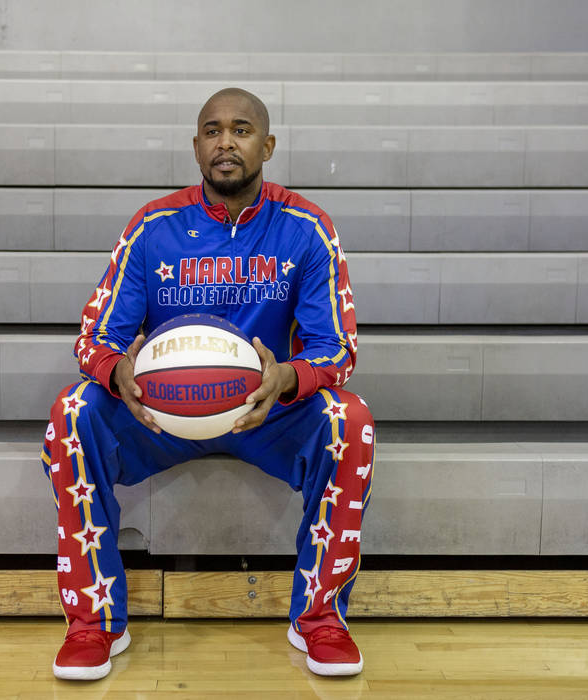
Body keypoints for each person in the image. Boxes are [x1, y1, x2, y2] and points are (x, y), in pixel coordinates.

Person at [41, 87, 375, 681]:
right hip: (164, 416)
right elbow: (93, 338)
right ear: (196, 147)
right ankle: (94, 621)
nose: (226, 141)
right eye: (213, 130)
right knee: (72, 411)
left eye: (242, 130)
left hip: (264, 412)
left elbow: (339, 349)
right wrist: (119, 373)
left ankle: (319, 617)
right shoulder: (153, 226)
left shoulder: (306, 228)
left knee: (349, 420)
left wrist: (287, 378)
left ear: (267, 145)